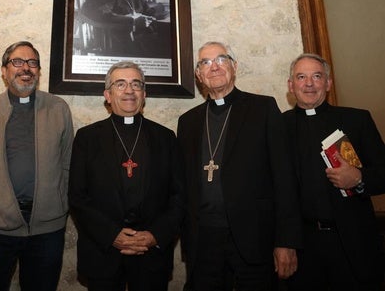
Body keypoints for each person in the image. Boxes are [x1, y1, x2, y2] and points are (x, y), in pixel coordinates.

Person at [177, 41, 302, 290]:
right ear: (199, 75)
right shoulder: (188, 122)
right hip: (204, 241)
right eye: (205, 62)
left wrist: (286, 241)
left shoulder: (262, 108)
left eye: (221, 59)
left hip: (253, 238)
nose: (214, 67)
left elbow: (284, 179)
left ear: (234, 67)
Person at [0, 40, 74, 291]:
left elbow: (67, 164)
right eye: (17, 62)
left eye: (32, 62)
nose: (26, 68)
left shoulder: (59, 109)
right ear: (4, 71)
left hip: (46, 230)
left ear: (38, 70)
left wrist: (59, 202)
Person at [68, 61, 184, 291]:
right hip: (103, 253)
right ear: (108, 95)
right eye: (120, 84)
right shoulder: (87, 138)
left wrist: (155, 235)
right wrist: (112, 234)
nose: (129, 90)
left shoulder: (165, 138)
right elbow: (77, 197)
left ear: (144, 94)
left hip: (151, 254)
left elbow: (179, 196)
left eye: (135, 84)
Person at [284, 53, 385, 290]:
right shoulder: (278, 127)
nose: (309, 83)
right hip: (302, 247)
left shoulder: (357, 119)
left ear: (328, 84)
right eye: (301, 77)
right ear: (291, 86)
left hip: (353, 244)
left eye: (317, 76)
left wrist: (360, 178)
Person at [80, 0, 169, 57]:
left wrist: (158, 12)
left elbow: (145, 10)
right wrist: (133, 21)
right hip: (123, 38)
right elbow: (105, 16)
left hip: (144, 32)